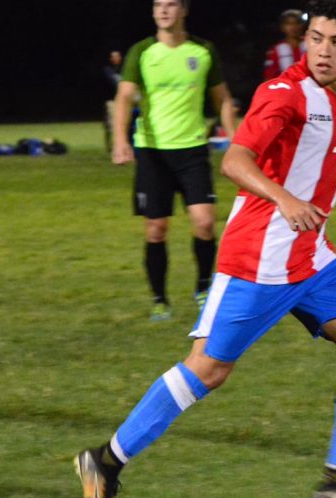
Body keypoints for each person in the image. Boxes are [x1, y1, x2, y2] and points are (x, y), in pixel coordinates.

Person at [74, 0, 336, 498]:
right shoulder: (284, 92)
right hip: (261, 255)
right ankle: (105, 463)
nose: (322, 51)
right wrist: (285, 199)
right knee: (208, 369)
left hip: (313, 255)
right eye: (315, 39)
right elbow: (234, 159)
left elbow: (329, 162)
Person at [111, 0, 238, 321]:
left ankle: (203, 287)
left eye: (170, 5)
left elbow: (222, 99)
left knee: (205, 223)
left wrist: (235, 138)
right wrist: (121, 140)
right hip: (152, 152)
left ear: (184, 10)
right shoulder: (142, 51)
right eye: (158, 5)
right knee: (156, 228)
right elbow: (123, 97)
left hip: (192, 149)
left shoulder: (203, 51)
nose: (163, 11)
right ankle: (160, 300)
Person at [263, 9, 307, 80]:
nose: (293, 27)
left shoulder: (311, 45)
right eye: (288, 23)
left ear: (303, 25)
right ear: (282, 27)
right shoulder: (276, 50)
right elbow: (269, 76)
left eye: (297, 23)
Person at [103, 50, 125, 153]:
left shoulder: (124, 70)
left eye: (118, 56)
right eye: (114, 57)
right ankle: (110, 145)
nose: (116, 58)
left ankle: (121, 145)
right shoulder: (108, 70)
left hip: (123, 101)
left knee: (124, 124)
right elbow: (113, 82)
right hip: (112, 101)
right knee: (111, 125)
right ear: (110, 59)